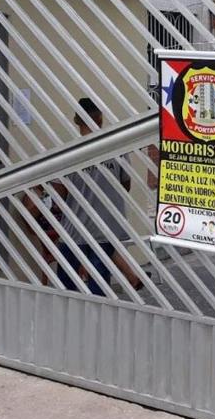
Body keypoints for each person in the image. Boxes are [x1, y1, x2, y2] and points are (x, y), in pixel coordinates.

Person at [44, 98, 144, 296]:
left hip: (76, 231)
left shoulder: (68, 154)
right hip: (108, 228)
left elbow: (59, 194)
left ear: (75, 120)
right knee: (99, 285)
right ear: (100, 119)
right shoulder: (117, 150)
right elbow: (126, 185)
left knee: (68, 286)